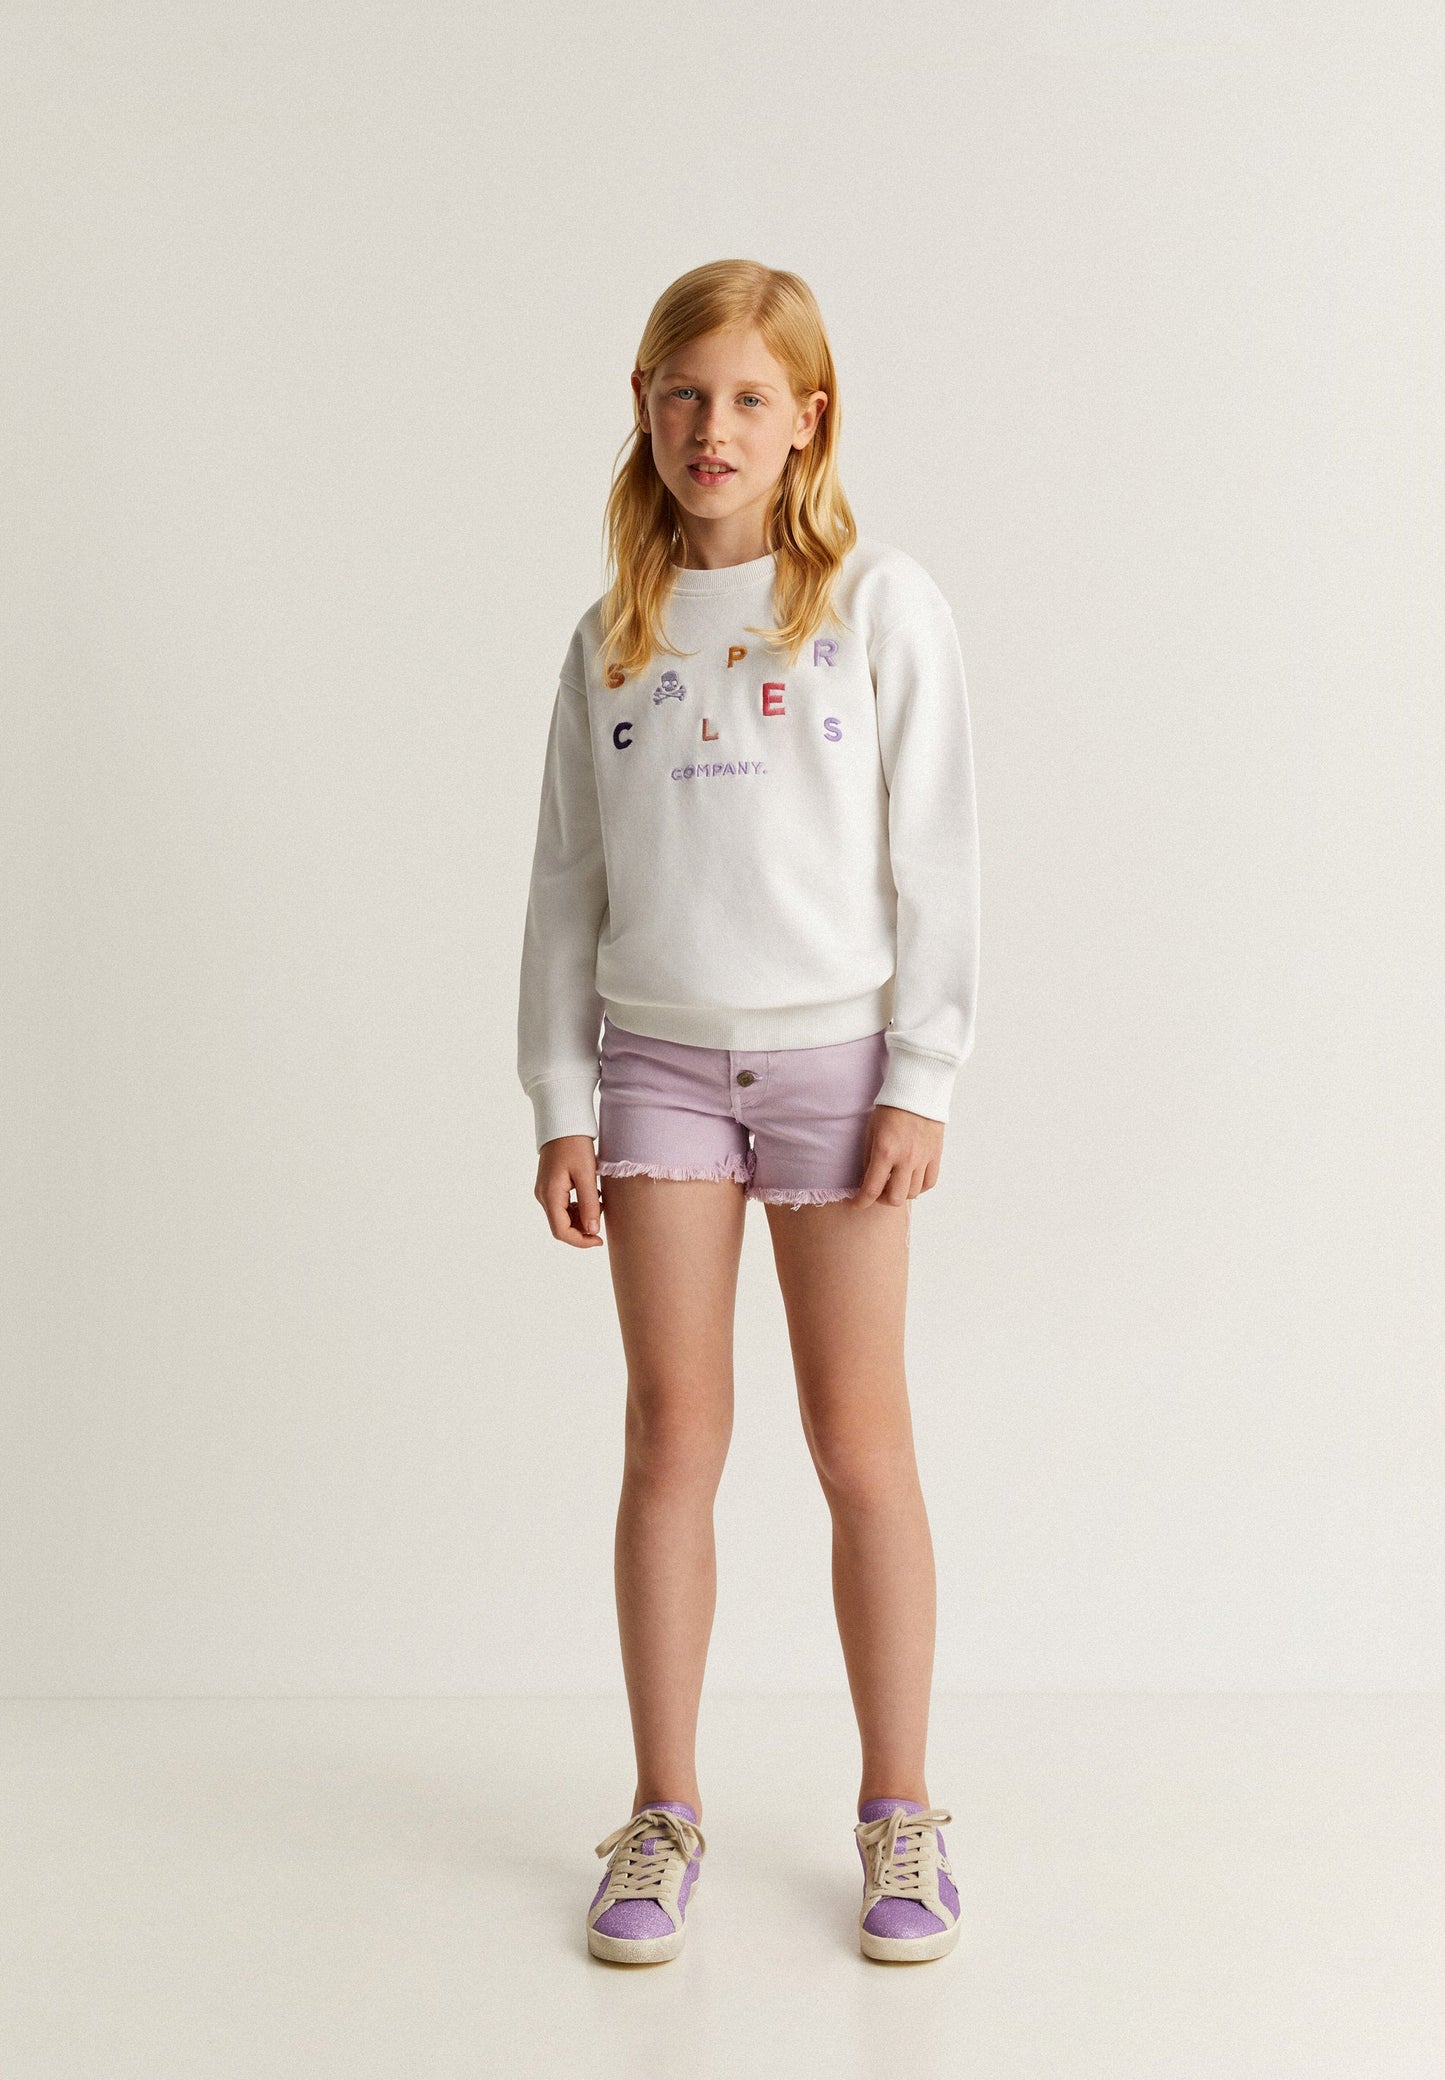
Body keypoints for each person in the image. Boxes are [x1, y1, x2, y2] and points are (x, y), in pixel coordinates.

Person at [516, 258, 980, 1965]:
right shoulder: (611, 638)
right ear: (644, 411)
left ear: (806, 420)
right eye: (683, 395)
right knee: (670, 1440)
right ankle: (662, 1811)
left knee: (859, 1446)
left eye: (747, 399)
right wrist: (560, 1097)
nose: (712, 427)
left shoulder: (872, 602)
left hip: (835, 1072)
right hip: (655, 1070)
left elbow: (936, 856)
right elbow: (564, 885)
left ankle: (898, 1808)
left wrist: (920, 1074)